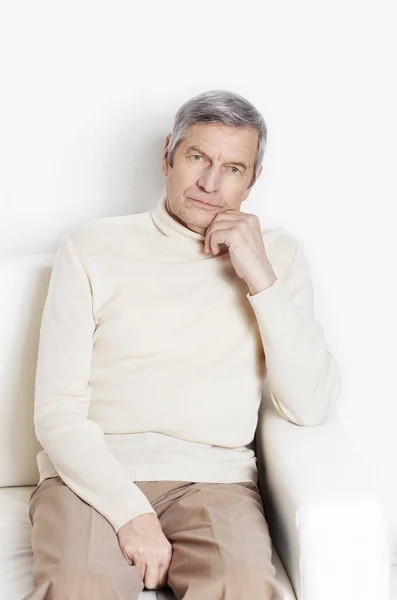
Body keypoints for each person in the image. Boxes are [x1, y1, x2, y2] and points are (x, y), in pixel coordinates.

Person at [26, 89, 341, 600]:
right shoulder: (91, 247)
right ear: (168, 154)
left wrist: (260, 277)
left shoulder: (277, 256)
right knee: (77, 587)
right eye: (198, 157)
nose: (211, 184)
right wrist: (131, 514)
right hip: (91, 476)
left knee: (241, 588)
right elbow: (57, 411)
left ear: (253, 179)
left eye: (233, 168)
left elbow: (310, 405)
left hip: (216, 482)